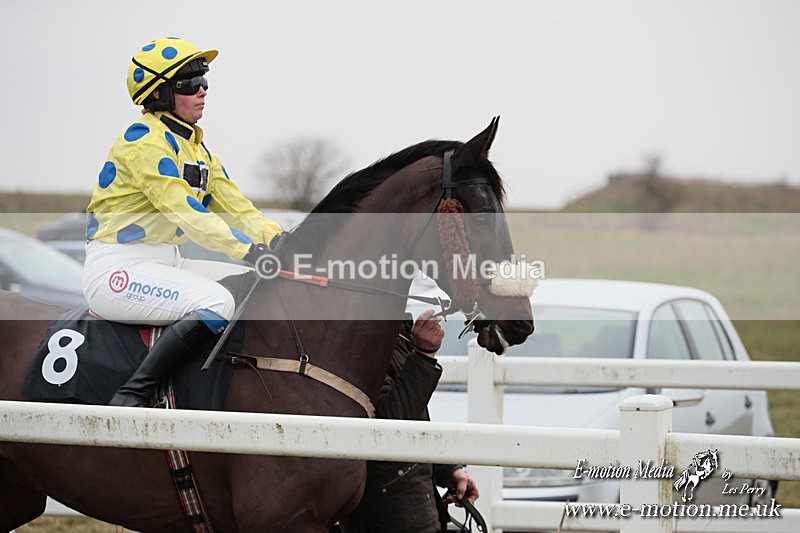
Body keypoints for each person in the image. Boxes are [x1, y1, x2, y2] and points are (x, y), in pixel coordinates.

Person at [82, 37, 282, 407]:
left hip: (167, 261)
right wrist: (247, 250)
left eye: (205, 82)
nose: (203, 91)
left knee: (252, 288)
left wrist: (279, 239)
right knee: (218, 302)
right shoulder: (142, 143)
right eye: (190, 85)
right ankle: (134, 393)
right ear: (158, 94)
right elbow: (187, 212)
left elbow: (236, 206)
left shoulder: (197, 147)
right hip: (117, 269)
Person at [339, 309, 480, 533]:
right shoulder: (362, 333)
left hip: (406, 500)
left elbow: (412, 417)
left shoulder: (389, 328)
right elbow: (390, 424)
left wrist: (447, 470)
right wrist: (424, 355)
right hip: (390, 510)